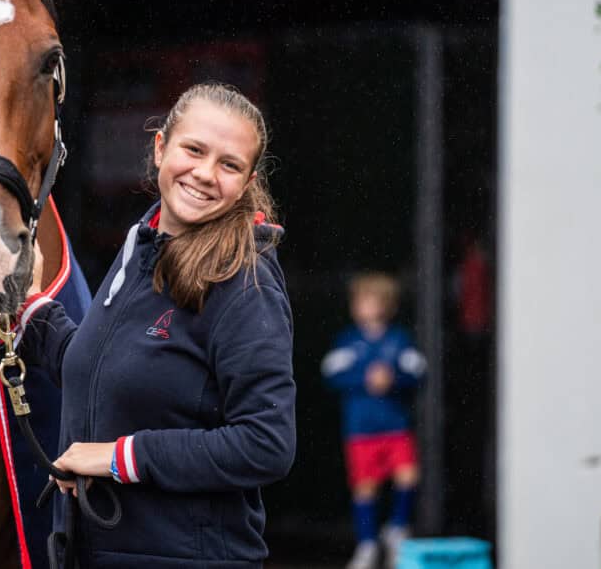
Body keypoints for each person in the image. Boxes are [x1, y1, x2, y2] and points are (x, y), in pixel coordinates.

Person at [21, 82, 297, 568]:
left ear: (247, 180)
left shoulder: (245, 282)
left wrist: (117, 458)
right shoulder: (142, 246)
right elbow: (110, 378)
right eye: (194, 149)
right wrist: (30, 312)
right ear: (160, 147)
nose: (206, 174)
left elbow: (266, 443)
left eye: (229, 164)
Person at [321, 272, 427, 569]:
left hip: (395, 426)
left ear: (388, 305)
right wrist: (363, 378)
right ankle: (367, 545)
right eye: (361, 301)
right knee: (365, 487)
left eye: (373, 301)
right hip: (361, 430)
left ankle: (396, 529)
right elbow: (330, 374)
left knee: (408, 475)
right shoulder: (347, 341)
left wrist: (393, 379)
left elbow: (419, 371)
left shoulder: (399, 339)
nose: (366, 307)